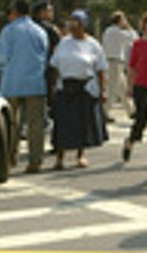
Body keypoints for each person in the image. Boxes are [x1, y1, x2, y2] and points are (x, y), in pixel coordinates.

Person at [0, 0, 50, 173]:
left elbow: (0, 58)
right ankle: (35, 161)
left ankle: (10, 158)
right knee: (36, 124)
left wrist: (0, 69)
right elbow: (45, 56)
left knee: (11, 123)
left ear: (15, 12)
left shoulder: (8, 31)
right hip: (35, 83)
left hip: (12, 82)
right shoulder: (40, 32)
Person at [49, 9, 109, 169]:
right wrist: (53, 86)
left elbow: (100, 69)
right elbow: (54, 65)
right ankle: (60, 157)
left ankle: (81, 155)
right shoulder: (64, 43)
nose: (73, 26)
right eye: (72, 22)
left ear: (83, 25)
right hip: (65, 87)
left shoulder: (93, 44)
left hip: (85, 88)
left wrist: (103, 90)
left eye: (77, 23)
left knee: (83, 124)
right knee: (62, 124)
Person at [121, 9, 147, 162]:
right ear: (144, 25)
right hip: (142, 86)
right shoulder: (138, 44)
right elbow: (132, 67)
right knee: (141, 120)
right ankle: (130, 142)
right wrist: (129, 87)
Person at [101, 11, 138, 118]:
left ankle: (131, 110)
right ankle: (104, 112)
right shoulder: (118, 32)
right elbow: (134, 38)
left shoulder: (108, 30)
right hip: (115, 62)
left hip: (110, 61)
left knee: (123, 88)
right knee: (111, 88)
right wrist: (129, 27)